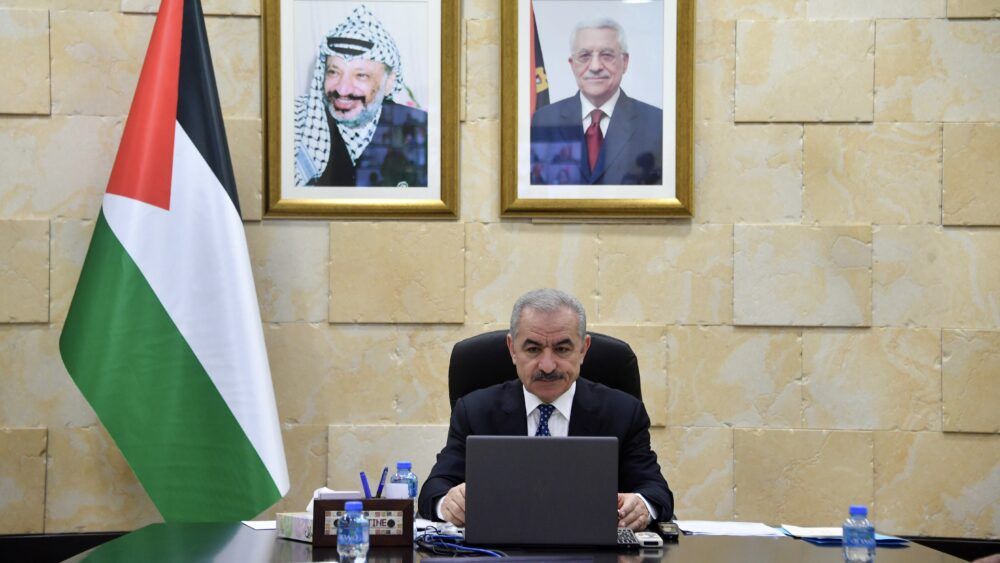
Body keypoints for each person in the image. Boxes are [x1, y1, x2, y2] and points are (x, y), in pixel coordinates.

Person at [417, 289, 673, 531]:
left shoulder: (624, 412)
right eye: (533, 349)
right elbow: (434, 490)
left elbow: (656, 492)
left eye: (562, 349)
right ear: (512, 349)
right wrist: (448, 503)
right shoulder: (474, 411)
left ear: (583, 349)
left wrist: (641, 505)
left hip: (593, 551)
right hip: (500, 551)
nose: (548, 366)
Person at [294, 5, 427, 187]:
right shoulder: (296, 122)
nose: (342, 89)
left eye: (361, 75)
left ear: (389, 82)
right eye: (334, 72)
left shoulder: (424, 129)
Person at [530, 18, 662, 186]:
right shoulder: (544, 119)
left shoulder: (658, 123)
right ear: (572, 65)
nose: (595, 66)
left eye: (606, 55)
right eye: (584, 56)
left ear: (625, 62)